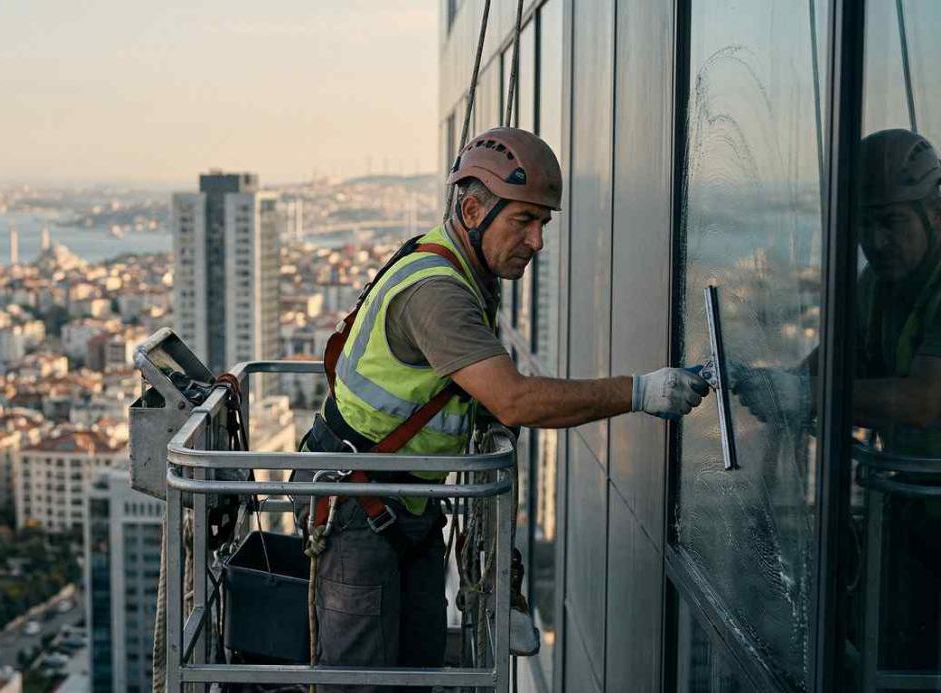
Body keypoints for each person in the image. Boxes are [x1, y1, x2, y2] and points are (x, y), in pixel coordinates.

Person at [301, 126, 710, 686]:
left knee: (417, 667)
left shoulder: (463, 269)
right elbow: (513, 400)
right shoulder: (440, 292)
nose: (537, 241)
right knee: (360, 679)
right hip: (360, 502)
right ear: (472, 210)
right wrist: (640, 391)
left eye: (543, 223)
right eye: (524, 220)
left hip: (402, 502)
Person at [736, 128, 941, 677]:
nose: (875, 240)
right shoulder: (877, 286)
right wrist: (782, 388)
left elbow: (924, 400)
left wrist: (803, 395)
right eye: (863, 225)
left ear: (935, 213)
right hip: (913, 511)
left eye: (890, 222)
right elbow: (828, 366)